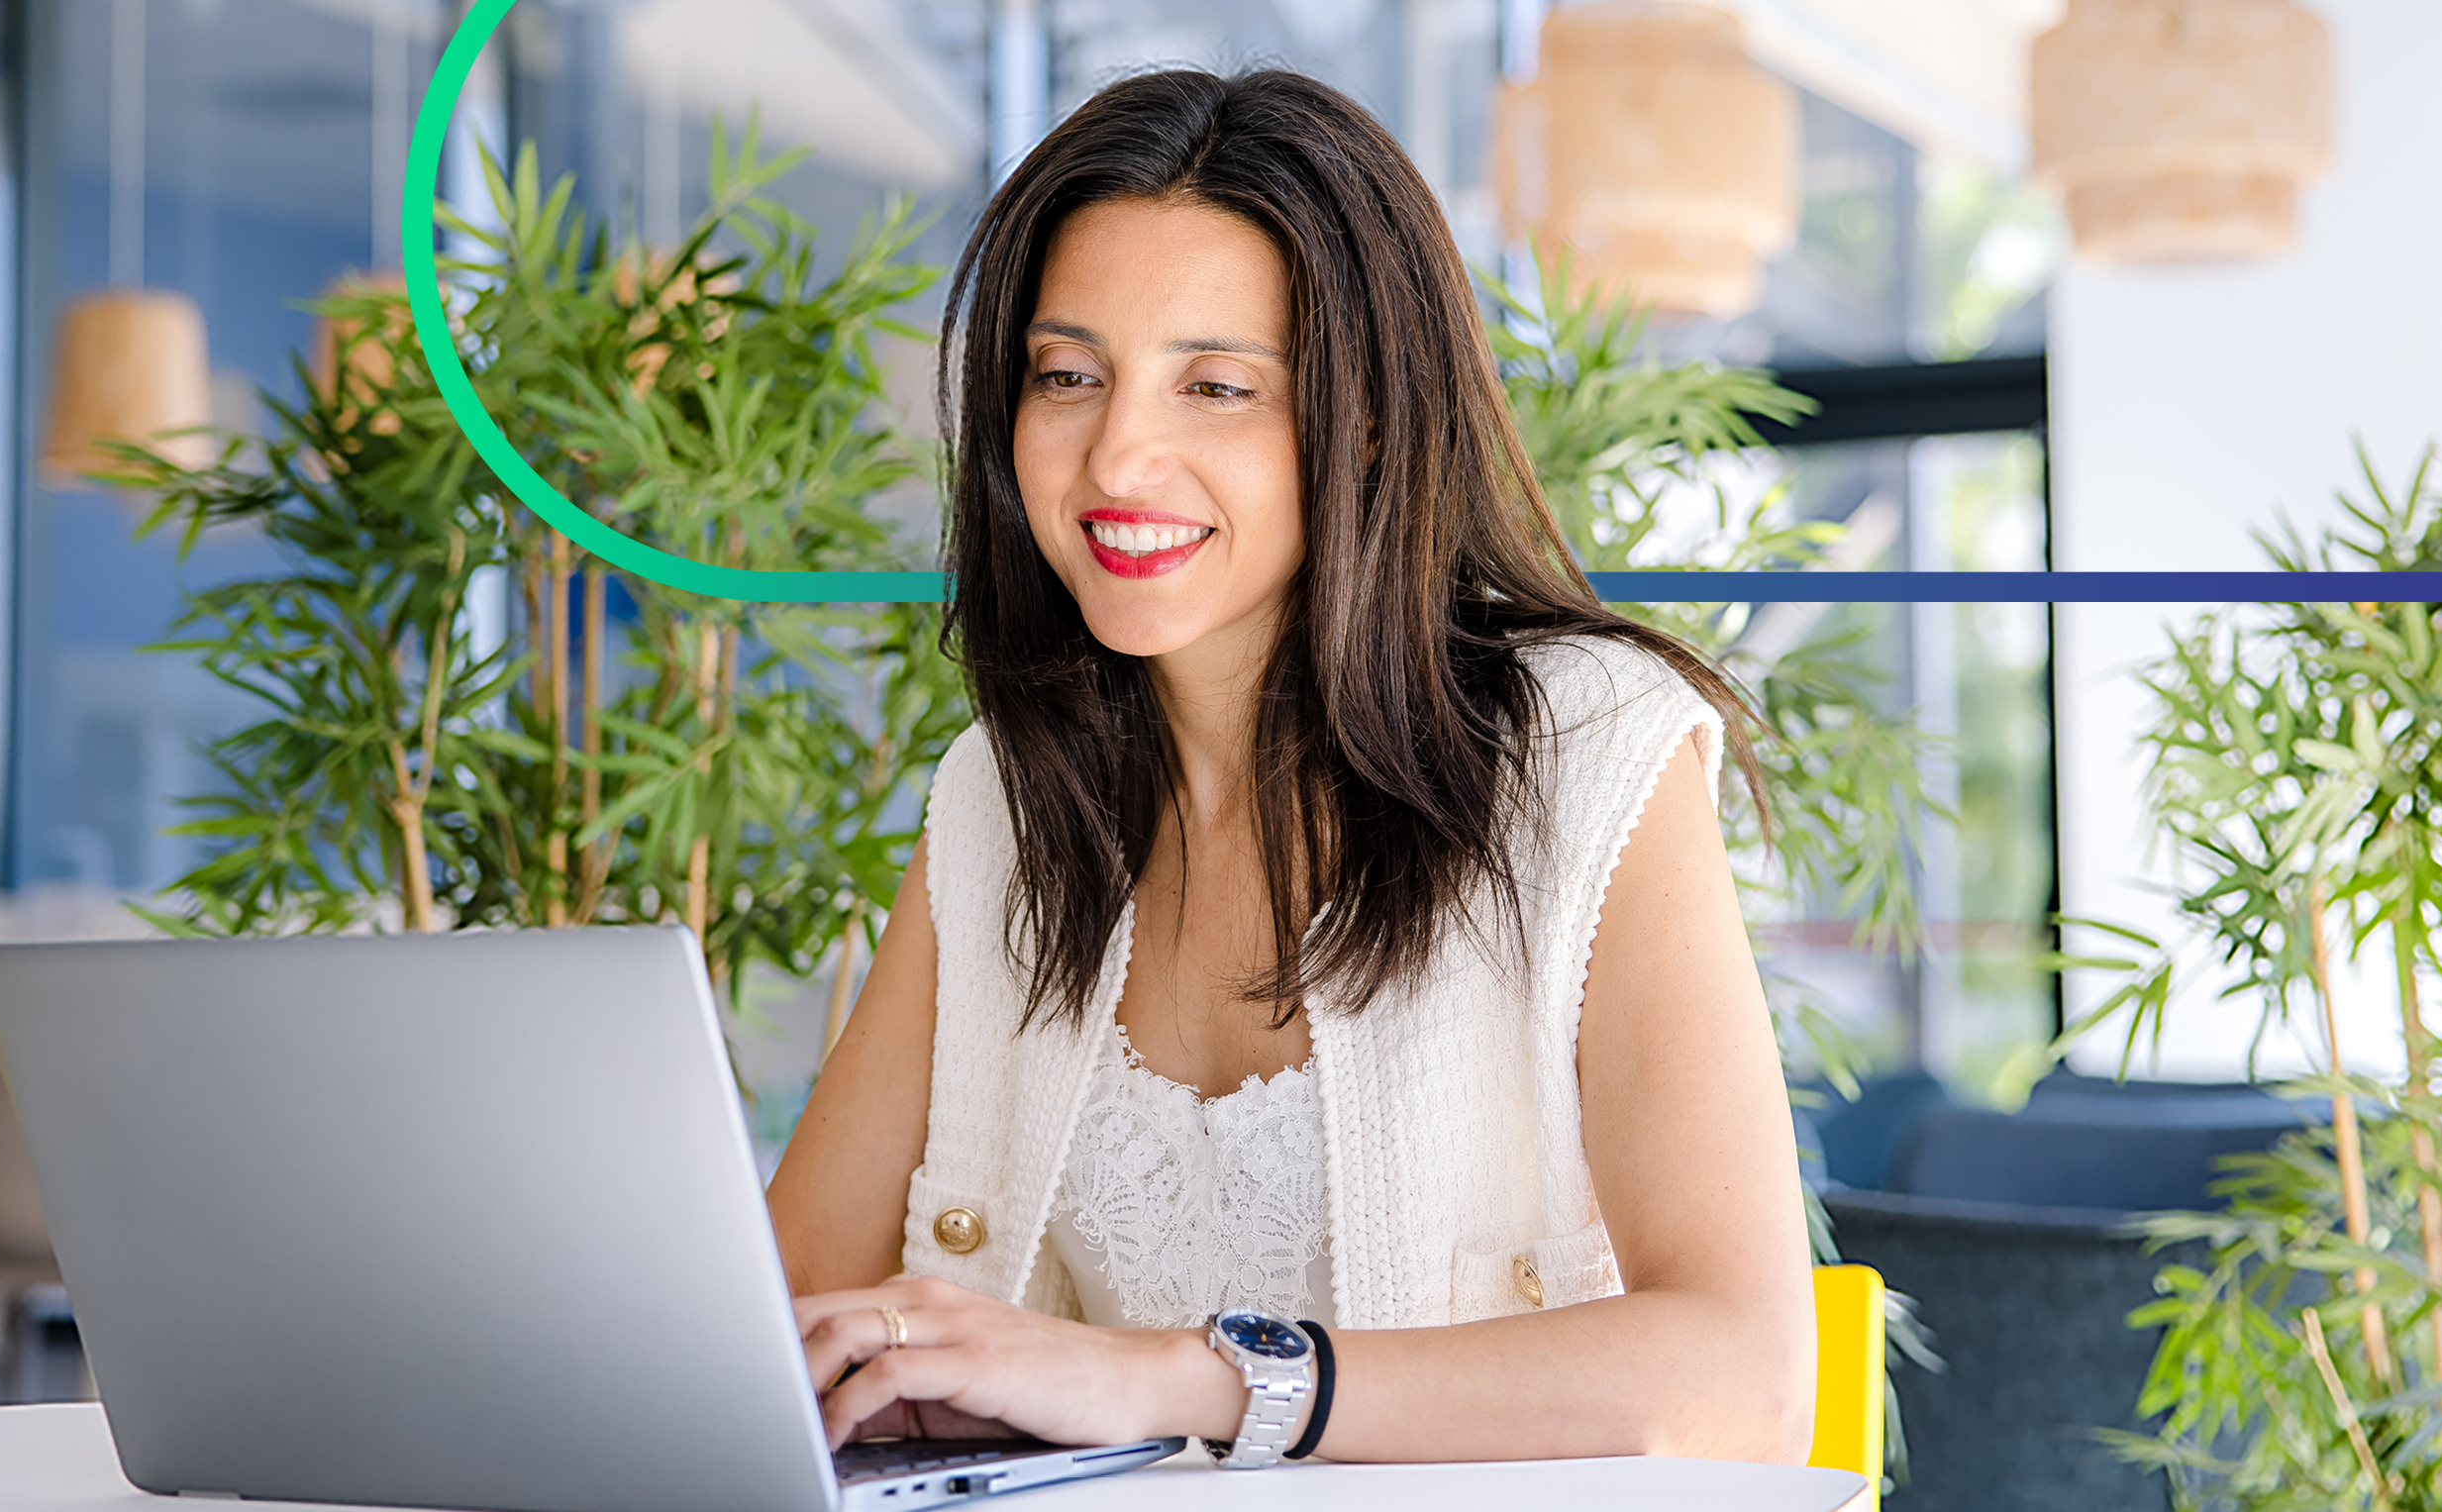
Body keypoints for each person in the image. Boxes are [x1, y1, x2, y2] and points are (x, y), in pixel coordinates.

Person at [761, 67, 1812, 1467]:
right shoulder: (1002, 804)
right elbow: (782, 1317)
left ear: (1366, 419)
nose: (1117, 453)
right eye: (1068, 375)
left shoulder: (1587, 749)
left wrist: (1188, 1382)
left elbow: (1743, 1377)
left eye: (1217, 386)